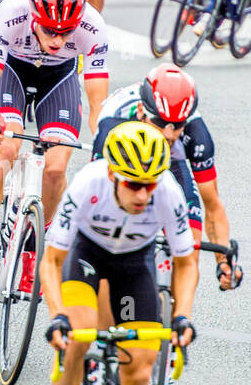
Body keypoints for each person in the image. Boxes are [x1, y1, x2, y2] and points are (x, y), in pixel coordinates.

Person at [40, 121, 197, 385]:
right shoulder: (88, 183)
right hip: (86, 259)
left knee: (141, 370)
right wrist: (57, 317)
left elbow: (186, 262)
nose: (143, 195)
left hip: (133, 266)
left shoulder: (168, 193)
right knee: (77, 338)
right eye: (132, 184)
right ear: (113, 174)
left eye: (149, 184)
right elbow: (51, 260)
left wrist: (183, 317)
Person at [0, 0, 109, 304]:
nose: (57, 41)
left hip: (59, 77)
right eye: (49, 30)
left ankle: (30, 250)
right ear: (34, 16)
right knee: (7, 148)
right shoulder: (11, 12)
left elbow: (98, 103)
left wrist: (104, 141)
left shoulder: (93, 26)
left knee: (56, 167)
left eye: (65, 33)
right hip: (11, 68)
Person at [92, 64, 240, 284]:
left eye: (177, 125)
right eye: (161, 123)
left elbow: (212, 203)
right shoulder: (113, 123)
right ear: (143, 112)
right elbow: (99, 195)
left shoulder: (196, 131)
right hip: (127, 158)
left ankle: (179, 316)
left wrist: (223, 262)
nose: (169, 133)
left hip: (174, 161)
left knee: (189, 250)